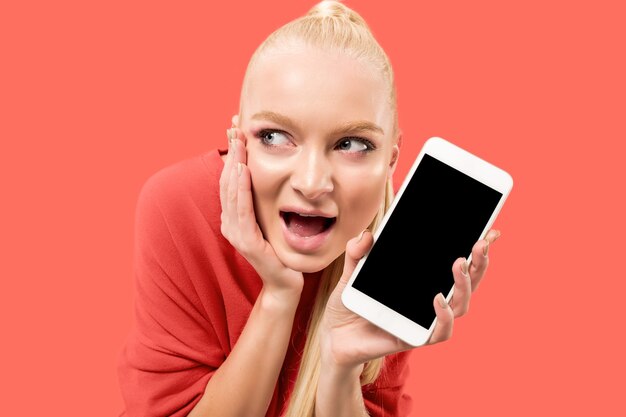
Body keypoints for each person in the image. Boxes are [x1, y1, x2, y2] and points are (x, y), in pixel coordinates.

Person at [117, 1, 502, 416]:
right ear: (238, 141)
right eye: (275, 136)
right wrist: (279, 295)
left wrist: (340, 367)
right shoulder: (179, 206)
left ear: (390, 161)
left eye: (352, 145)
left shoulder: (384, 245)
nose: (311, 182)